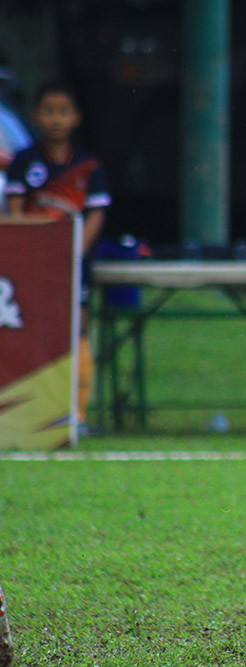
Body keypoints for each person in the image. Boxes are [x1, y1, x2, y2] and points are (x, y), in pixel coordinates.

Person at [4, 80, 111, 431]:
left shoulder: (87, 165)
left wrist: (74, 250)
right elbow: (15, 211)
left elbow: (96, 213)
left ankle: (75, 415)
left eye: (63, 112)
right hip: (35, 268)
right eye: (49, 111)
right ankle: (31, 413)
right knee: (33, 328)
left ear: (76, 117)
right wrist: (35, 252)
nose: (55, 119)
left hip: (73, 265)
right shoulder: (25, 161)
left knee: (77, 330)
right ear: (36, 115)